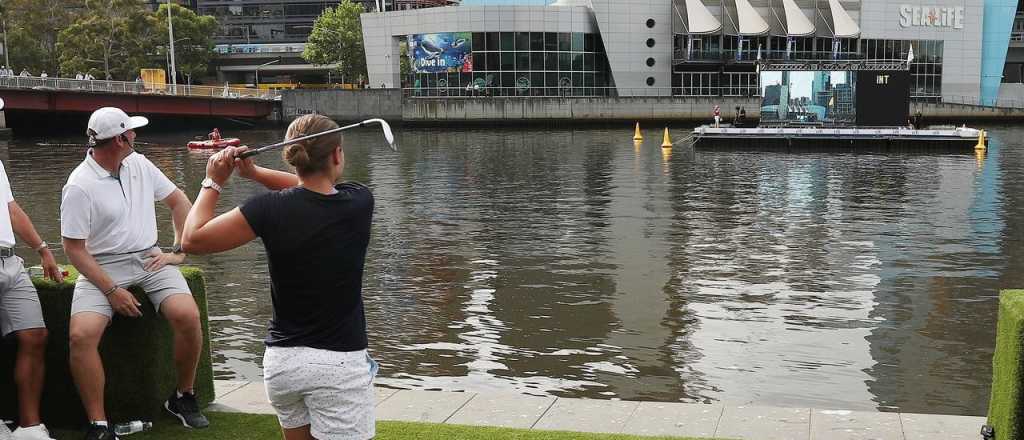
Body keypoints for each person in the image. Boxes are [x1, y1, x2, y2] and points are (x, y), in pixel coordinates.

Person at [181, 114, 378, 440]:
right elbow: (313, 192)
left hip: (284, 364)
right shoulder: (359, 200)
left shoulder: (267, 210)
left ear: (294, 157)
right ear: (336, 155)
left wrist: (213, 181)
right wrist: (254, 174)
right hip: (339, 365)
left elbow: (192, 238)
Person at [60, 107, 208, 440]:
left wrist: (178, 251)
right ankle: (98, 424)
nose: (135, 136)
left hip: (149, 258)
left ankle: (183, 396)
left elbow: (180, 202)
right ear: (119, 140)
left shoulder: (139, 163)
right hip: (101, 264)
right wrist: (111, 290)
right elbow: (74, 249)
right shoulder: (79, 185)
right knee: (81, 336)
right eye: (130, 132)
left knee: (187, 315)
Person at [0, 158, 65, 440]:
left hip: (10, 262)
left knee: (34, 335)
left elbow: (10, 208)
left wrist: (42, 249)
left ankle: (29, 427)